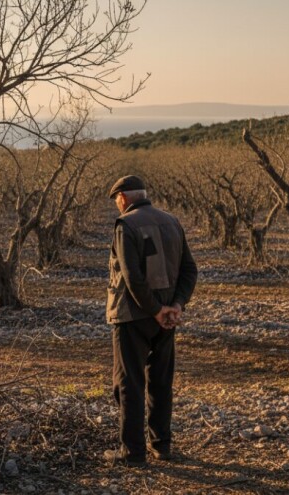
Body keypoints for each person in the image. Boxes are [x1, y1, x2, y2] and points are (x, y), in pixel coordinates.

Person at [104, 175, 197, 467]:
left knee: (129, 383)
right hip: (167, 318)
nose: (117, 205)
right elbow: (190, 270)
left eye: (117, 200)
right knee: (160, 381)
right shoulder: (172, 221)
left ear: (123, 198)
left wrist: (155, 309)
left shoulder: (126, 225)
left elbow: (132, 278)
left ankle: (132, 452)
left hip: (132, 317)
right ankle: (162, 446)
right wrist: (175, 306)